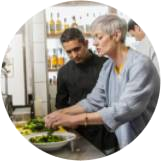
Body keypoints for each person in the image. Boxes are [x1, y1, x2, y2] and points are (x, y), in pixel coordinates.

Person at [45, 15, 160, 151]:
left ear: (116, 35)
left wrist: (74, 119)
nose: (94, 43)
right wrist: (61, 112)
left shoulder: (140, 65)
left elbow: (124, 109)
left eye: (99, 37)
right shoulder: (108, 67)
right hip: (123, 140)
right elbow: (94, 101)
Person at [55, 28, 118, 153]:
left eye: (77, 49)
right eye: (69, 52)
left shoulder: (106, 65)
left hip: (106, 134)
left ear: (86, 43)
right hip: (79, 134)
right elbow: (61, 105)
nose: (74, 55)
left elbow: (115, 101)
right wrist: (67, 121)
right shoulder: (64, 72)